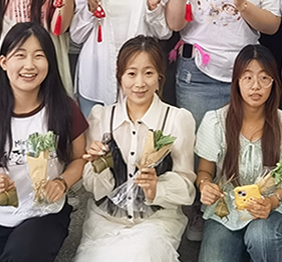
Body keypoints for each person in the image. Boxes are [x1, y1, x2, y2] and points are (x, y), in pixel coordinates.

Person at [0, 22, 88, 262]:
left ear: (50, 63)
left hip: (44, 212)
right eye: (20, 55)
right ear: (3, 62)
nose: (29, 65)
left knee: (21, 255)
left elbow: (79, 159)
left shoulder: (64, 109)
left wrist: (62, 182)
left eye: (39, 56)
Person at [77, 36, 195, 261]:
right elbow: (91, 187)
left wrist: (156, 188)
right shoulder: (101, 117)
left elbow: (187, 187)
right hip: (105, 222)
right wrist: (98, 166)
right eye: (131, 73)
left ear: (160, 76)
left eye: (148, 73)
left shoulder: (176, 119)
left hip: (156, 223)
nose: (139, 83)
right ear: (119, 77)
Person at [195, 44, 282, 262]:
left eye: (264, 78)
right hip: (226, 209)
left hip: (270, 208)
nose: (256, 86)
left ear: (273, 82)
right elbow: (204, 171)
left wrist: (272, 201)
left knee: (261, 237)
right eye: (247, 78)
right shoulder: (215, 121)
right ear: (236, 81)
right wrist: (205, 185)